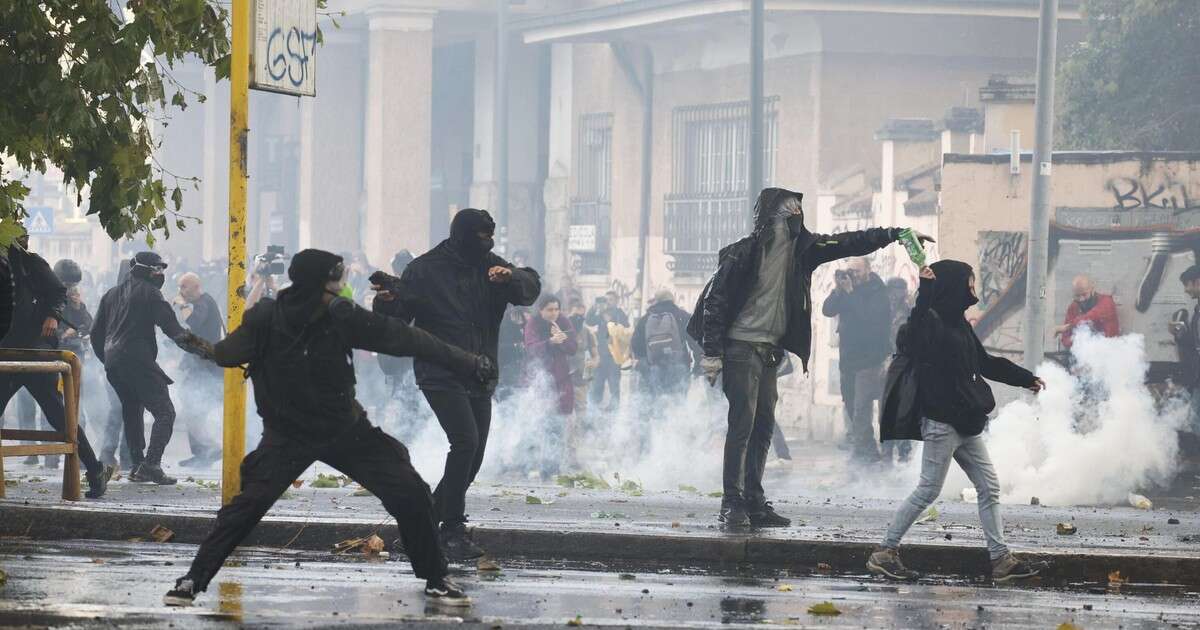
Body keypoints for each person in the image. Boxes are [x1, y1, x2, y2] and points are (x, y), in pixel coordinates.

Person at [163, 249, 493, 608]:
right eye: (335, 281)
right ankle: (194, 579)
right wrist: (199, 346)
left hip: (344, 430)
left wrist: (466, 362)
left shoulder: (337, 316)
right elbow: (228, 353)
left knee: (410, 492)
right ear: (319, 283)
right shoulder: (268, 317)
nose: (340, 289)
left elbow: (404, 338)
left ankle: (435, 577)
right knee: (245, 509)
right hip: (289, 434)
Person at [687, 187, 932, 529]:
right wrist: (712, 354)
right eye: (789, 216)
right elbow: (715, 303)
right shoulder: (743, 254)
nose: (796, 221)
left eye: (799, 215)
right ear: (769, 220)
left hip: (770, 351)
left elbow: (850, 241)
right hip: (741, 347)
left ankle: (754, 501)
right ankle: (733, 503)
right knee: (742, 424)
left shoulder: (804, 251)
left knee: (763, 427)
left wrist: (895, 234)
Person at [378, 208, 540, 560]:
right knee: (465, 441)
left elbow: (530, 287)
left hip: (480, 371)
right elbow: (397, 316)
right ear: (462, 234)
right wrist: (388, 301)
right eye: (481, 236)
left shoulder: (491, 266)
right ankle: (451, 530)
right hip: (439, 370)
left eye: (490, 236)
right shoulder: (425, 269)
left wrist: (510, 277)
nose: (487, 243)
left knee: (475, 452)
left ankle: (419, 528)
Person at [868, 261, 1045, 583]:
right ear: (953, 286)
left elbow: (986, 362)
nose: (973, 288)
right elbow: (914, 328)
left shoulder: (959, 324)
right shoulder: (930, 323)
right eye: (969, 282)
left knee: (989, 486)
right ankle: (884, 552)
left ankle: (1000, 560)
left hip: (965, 422)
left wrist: (1025, 378)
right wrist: (925, 291)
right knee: (927, 490)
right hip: (941, 422)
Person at [0, 237, 109, 498]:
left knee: (58, 415)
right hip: (6, 353)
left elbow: (58, 291)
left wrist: (51, 314)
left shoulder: (29, 262)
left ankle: (94, 471)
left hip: (35, 352)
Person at [91, 252, 211, 485]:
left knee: (132, 409)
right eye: (156, 270)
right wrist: (207, 351)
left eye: (162, 270)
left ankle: (137, 465)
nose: (160, 274)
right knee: (165, 412)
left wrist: (107, 359)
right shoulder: (151, 294)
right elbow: (174, 330)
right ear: (143, 270)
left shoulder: (111, 294)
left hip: (114, 364)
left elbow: (97, 335)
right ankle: (151, 464)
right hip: (136, 361)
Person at [822, 257, 892, 463]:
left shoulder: (878, 291)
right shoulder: (846, 289)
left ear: (869, 270)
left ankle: (872, 455)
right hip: (848, 361)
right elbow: (827, 310)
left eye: (857, 271)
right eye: (850, 271)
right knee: (852, 407)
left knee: (862, 409)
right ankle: (866, 451)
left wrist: (851, 293)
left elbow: (869, 320)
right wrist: (837, 290)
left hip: (870, 361)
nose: (854, 275)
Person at [523, 294, 578, 475]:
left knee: (558, 424)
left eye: (556, 309)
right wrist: (550, 342)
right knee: (540, 422)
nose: (554, 313)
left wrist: (563, 340)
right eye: (549, 310)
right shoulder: (533, 323)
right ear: (541, 310)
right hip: (540, 379)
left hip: (561, 379)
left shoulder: (564, 321)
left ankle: (552, 467)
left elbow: (573, 348)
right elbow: (531, 348)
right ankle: (530, 463)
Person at [175, 272, 224, 467]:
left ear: (196, 286)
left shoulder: (205, 301)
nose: (181, 291)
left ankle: (209, 449)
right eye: (180, 286)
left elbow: (194, 322)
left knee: (196, 405)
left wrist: (182, 304)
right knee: (193, 405)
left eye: (184, 286)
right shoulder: (202, 302)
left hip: (207, 367)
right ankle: (203, 452)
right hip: (201, 365)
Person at [632, 289, 697, 398]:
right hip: (679, 366)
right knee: (677, 405)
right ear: (673, 299)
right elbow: (696, 341)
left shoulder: (646, 318)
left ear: (657, 300)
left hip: (654, 368)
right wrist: (698, 366)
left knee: (658, 405)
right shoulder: (683, 316)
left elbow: (635, 345)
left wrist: (645, 363)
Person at [884, 277, 915, 463]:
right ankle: (887, 452)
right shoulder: (882, 311)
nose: (895, 295)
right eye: (893, 290)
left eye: (899, 291)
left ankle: (903, 452)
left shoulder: (909, 312)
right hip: (886, 362)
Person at [1170, 265, 1200, 437]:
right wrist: (1179, 335)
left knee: (1196, 421)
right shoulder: (1197, 309)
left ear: (1197, 282)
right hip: (1197, 377)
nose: (1186, 290)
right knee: (1195, 421)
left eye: (1187, 285)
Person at [1055, 274, 1120, 349]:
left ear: (1092, 290)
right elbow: (1065, 338)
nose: (1081, 299)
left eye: (1084, 294)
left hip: (1108, 351)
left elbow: (1091, 316)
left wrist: (1067, 327)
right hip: (1082, 354)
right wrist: (1078, 341)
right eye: (1077, 296)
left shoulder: (1106, 302)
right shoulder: (1074, 306)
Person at [567, 297, 598, 417]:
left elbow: (596, 356)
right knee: (564, 412)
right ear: (568, 312)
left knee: (581, 410)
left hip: (581, 378)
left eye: (582, 316)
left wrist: (594, 363)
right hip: (563, 377)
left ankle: (580, 434)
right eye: (575, 315)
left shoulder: (587, 332)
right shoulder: (559, 330)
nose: (578, 318)